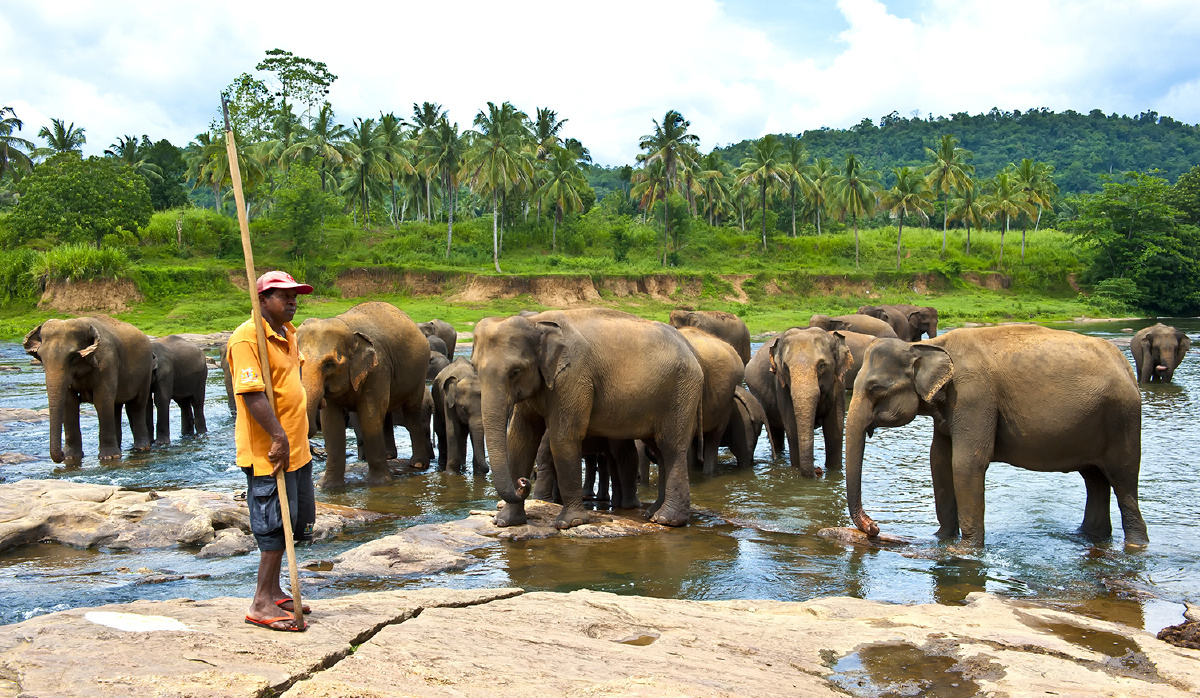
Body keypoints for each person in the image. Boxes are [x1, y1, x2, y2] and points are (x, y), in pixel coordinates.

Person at [227, 270, 315, 631]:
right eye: (283, 295)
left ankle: (276, 591)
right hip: (270, 451)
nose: (292, 301)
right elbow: (251, 394)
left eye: (295, 296)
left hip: (297, 448)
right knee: (274, 525)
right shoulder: (247, 338)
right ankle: (261, 602)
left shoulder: (288, 333)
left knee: (293, 521)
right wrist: (278, 437)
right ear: (262, 300)